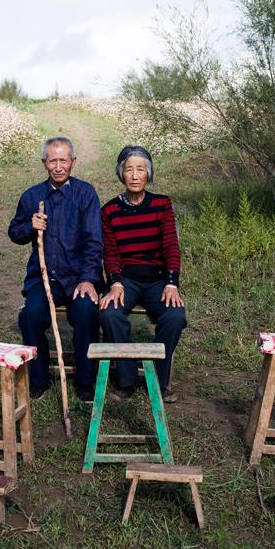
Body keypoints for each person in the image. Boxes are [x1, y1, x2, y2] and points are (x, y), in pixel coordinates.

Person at [8, 136, 103, 403]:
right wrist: (30, 225)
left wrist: (88, 280)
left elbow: (95, 242)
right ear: (44, 163)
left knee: (86, 312)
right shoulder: (32, 196)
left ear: (73, 161)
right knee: (31, 316)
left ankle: (85, 381)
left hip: (77, 278)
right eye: (53, 161)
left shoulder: (85, 194)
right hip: (43, 277)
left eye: (64, 160)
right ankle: (39, 379)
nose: (58, 166)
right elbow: (14, 232)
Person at [99, 145, 186, 403]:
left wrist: (171, 284)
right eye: (129, 169)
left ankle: (158, 381)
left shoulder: (161, 204)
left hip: (158, 279)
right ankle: (126, 379)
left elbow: (171, 245)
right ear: (121, 174)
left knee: (174, 316)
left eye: (141, 169)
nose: (135, 175)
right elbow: (110, 253)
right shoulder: (110, 211)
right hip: (125, 280)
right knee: (110, 314)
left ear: (148, 173)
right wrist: (114, 283)